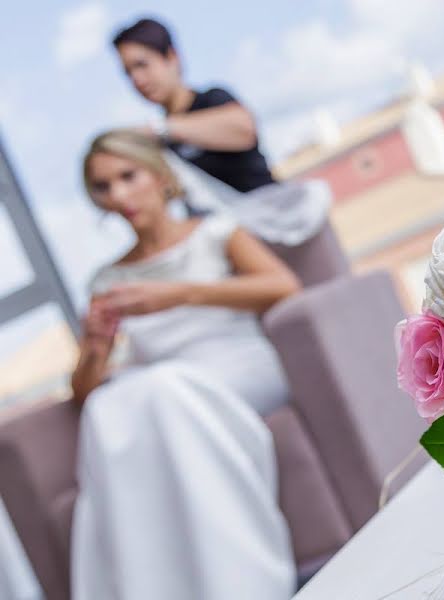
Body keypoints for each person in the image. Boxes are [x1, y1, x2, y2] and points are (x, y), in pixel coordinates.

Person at [69, 129, 299, 599]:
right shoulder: (106, 279)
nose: (118, 195)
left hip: (237, 364)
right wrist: (95, 345)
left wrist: (179, 294)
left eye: (127, 176)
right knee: (105, 409)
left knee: (162, 390)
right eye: (103, 186)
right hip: (164, 389)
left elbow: (284, 286)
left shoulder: (215, 231)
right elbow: (84, 391)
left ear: (157, 174)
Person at [112, 17, 273, 192]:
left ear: (171, 57)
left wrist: (160, 129)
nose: (137, 79)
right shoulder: (159, 143)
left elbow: (244, 131)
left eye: (141, 64)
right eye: (128, 72)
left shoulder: (213, 99)